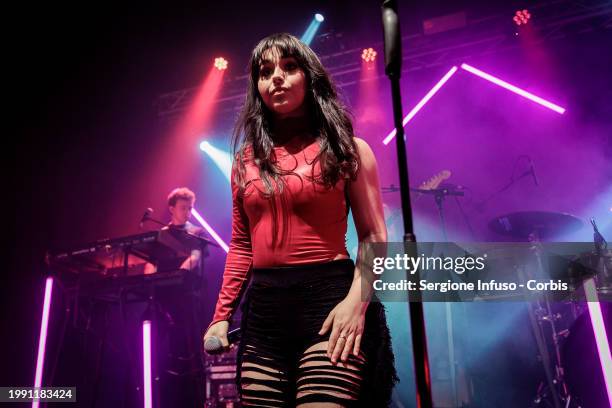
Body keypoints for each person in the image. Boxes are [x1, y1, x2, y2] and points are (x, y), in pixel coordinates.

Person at [203, 33, 398, 407]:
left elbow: (374, 234)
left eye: (289, 68)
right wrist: (220, 316)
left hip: (328, 304)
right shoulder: (245, 161)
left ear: (310, 77)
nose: (275, 77)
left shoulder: (348, 149)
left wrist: (356, 303)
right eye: (265, 71)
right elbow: (242, 245)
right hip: (264, 314)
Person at [144, 187, 206, 274]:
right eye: (183, 208)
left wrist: (177, 276)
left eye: (190, 208)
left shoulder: (198, 232)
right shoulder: (161, 235)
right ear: (172, 209)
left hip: (187, 284)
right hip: (161, 285)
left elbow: (195, 256)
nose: (187, 212)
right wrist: (148, 281)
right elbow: (151, 262)